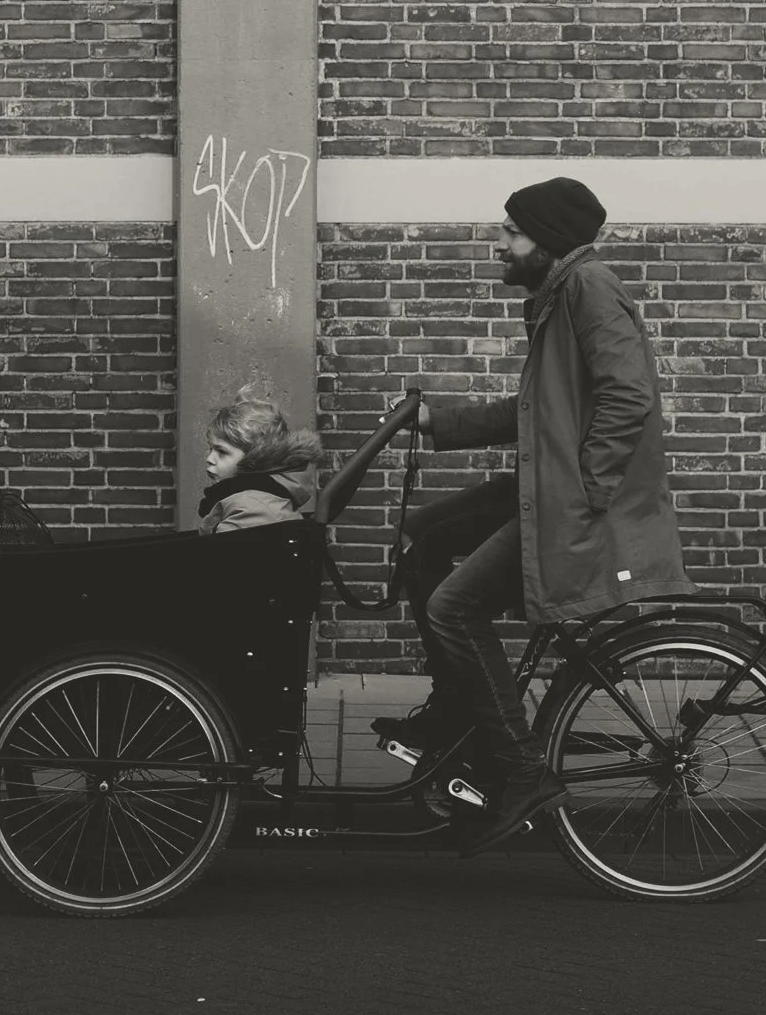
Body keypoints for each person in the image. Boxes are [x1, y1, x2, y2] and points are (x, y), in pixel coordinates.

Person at [374, 176, 695, 857]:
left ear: (546, 242)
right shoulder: (557, 298)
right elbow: (532, 417)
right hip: (547, 487)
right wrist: (437, 421)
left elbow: (629, 398)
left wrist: (585, 492)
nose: (500, 242)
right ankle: (455, 712)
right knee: (423, 541)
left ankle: (520, 770)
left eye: (511, 232)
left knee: (453, 607)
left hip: (571, 502)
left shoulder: (589, 288)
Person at [197, 387, 324, 534]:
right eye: (210, 449)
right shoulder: (252, 498)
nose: (209, 459)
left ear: (255, 459)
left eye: (222, 451)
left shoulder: (252, 510)